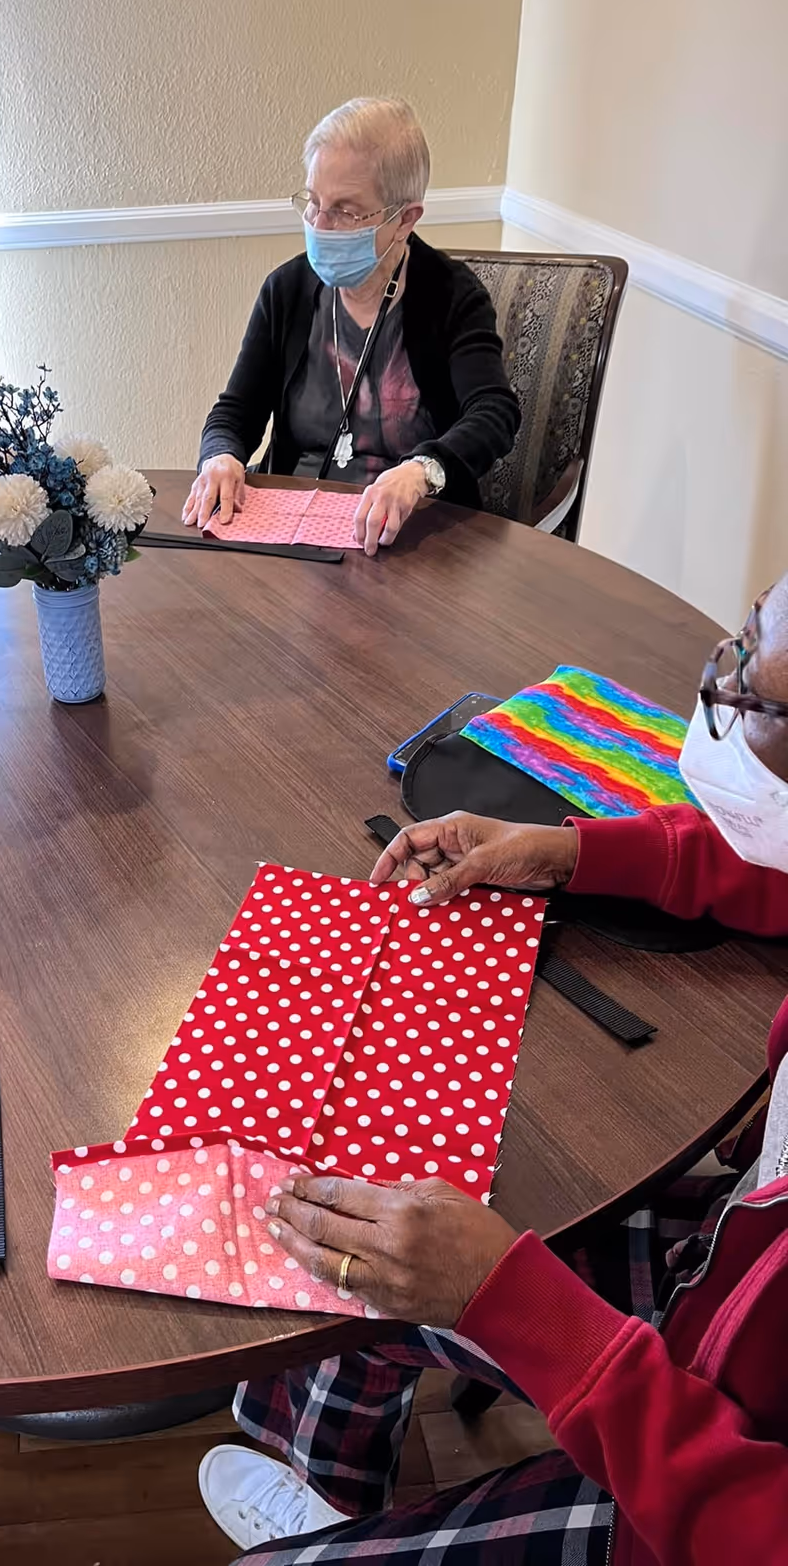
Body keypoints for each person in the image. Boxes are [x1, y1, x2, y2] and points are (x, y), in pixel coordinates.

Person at [197, 576, 788, 1564]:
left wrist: (511, 1303)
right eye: (742, 644)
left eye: (753, 694)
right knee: (362, 1230)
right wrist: (565, 852)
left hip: (700, 1496)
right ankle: (328, 1487)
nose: (714, 696)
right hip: (733, 1281)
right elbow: (768, 863)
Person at [185, 96, 519, 557]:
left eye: (345, 210)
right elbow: (235, 412)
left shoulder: (452, 296)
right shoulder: (287, 290)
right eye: (314, 201)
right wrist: (220, 456)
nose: (319, 225)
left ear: (404, 219)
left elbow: (493, 412)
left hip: (405, 543)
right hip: (289, 539)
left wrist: (422, 470)